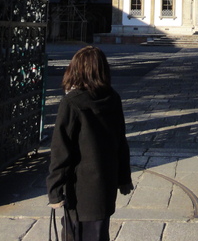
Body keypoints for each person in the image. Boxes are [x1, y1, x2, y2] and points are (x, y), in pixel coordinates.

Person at [46, 46, 133, 241]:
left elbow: (61, 150)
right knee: (99, 234)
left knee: (77, 234)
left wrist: (55, 191)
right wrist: (124, 178)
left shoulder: (71, 103)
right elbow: (121, 142)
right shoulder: (113, 98)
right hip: (105, 186)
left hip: (80, 190)